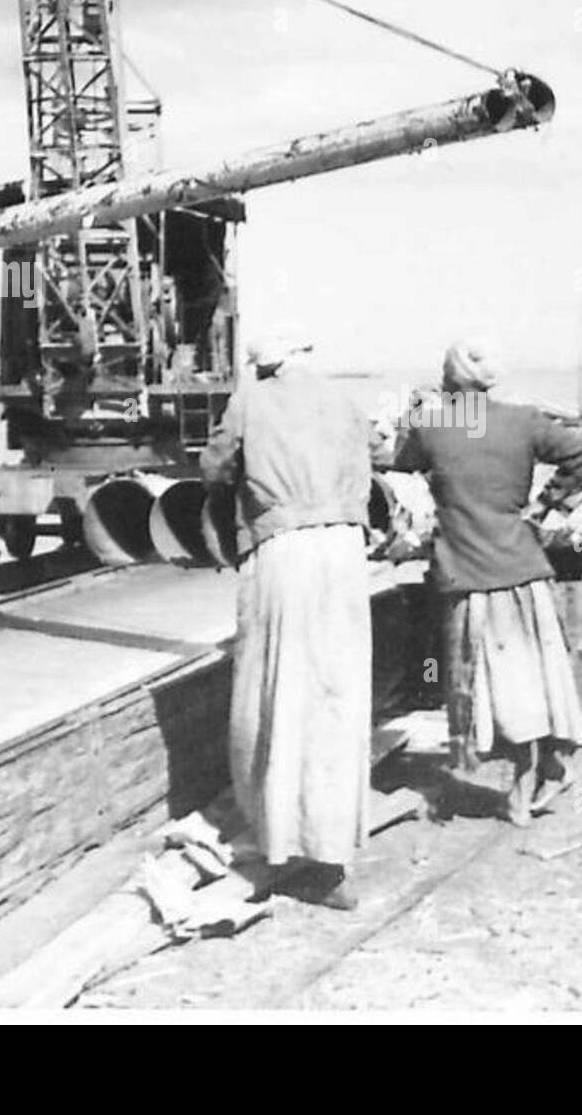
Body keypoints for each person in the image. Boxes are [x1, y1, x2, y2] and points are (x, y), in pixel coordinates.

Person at [393, 340, 582, 826]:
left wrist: (415, 415)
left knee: (494, 690)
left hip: (469, 578)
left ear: (449, 382)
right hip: (525, 572)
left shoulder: (432, 428)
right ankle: (551, 764)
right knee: (534, 682)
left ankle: (523, 784)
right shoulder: (523, 420)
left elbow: (397, 468)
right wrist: (546, 506)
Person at [199, 327, 373, 911]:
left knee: (274, 691)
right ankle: (332, 851)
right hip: (347, 552)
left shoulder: (249, 399)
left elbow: (215, 469)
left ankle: (284, 839)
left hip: (285, 551)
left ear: (261, 364)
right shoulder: (342, 399)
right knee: (336, 693)